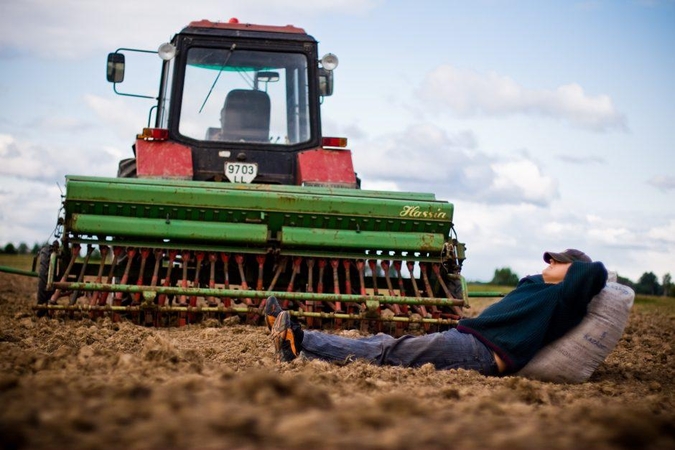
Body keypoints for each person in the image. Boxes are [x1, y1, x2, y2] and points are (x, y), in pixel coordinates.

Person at [264, 249, 607, 376]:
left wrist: (577, 265)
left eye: (557, 260)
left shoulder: (566, 299)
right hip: (468, 342)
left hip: (480, 352)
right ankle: (297, 343)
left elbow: (597, 273)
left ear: (572, 269)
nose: (547, 262)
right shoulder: (539, 288)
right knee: (387, 347)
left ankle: (299, 338)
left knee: (387, 348)